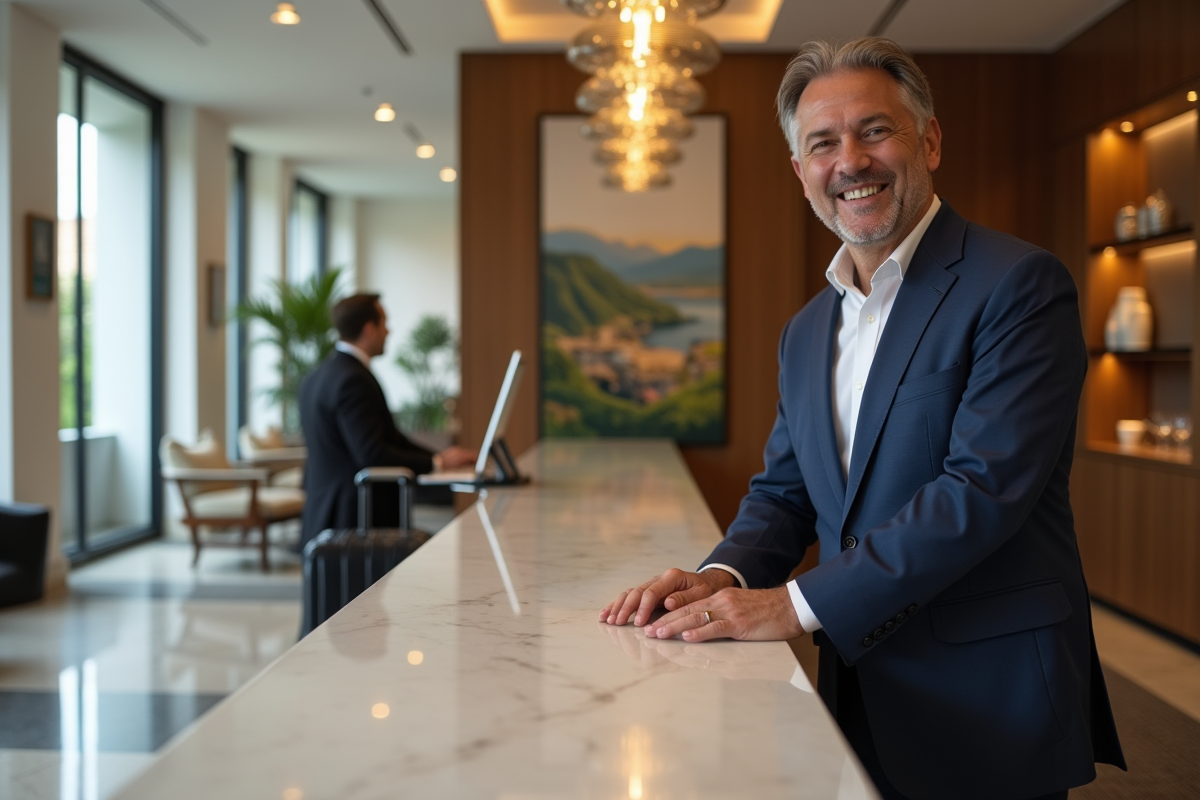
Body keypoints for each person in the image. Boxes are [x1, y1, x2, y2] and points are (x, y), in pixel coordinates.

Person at [599, 38, 1125, 800]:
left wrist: (792, 604)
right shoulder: (807, 329)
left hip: (989, 695)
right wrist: (717, 579)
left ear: (930, 141)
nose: (850, 160)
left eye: (875, 130)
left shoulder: (1019, 286)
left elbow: (980, 492)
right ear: (801, 173)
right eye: (823, 143)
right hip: (858, 685)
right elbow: (785, 492)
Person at [298, 293, 475, 548]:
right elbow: (372, 453)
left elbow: (389, 437)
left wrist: (441, 460)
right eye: (384, 324)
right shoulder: (353, 380)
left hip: (324, 513)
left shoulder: (318, 375)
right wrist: (436, 462)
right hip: (353, 519)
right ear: (369, 330)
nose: (388, 332)